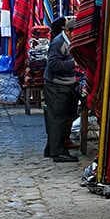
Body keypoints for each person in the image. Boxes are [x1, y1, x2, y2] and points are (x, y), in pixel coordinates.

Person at [44, 16, 79, 162]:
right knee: (58, 118)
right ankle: (58, 152)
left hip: (65, 84)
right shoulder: (59, 42)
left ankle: (52, 148)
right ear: (70, 31)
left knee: (62, 117)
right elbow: (54, 64)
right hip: (56, 85)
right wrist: (74, 63)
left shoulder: (67, 41)